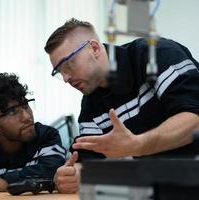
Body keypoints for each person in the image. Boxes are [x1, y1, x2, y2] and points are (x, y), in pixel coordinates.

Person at [44, 18, 199, 193]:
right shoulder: (90, 104)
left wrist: (138, 144)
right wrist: (73, 175)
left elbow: (195, 118)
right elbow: (88, 160)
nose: (65, 79)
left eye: (69, 65)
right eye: (59, 72)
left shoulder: (156, 54)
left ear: (94, 49)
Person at [0, 72, 66, 192]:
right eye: (12, 111)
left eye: (25, 105)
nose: (27, 117)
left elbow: (51, 174)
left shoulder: (47, 136)